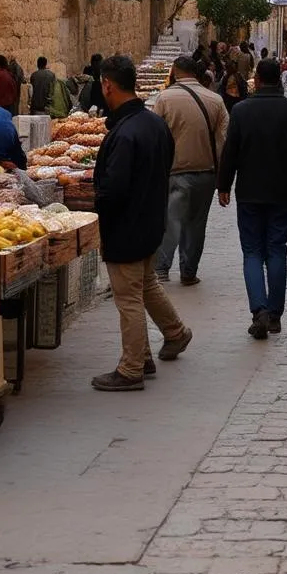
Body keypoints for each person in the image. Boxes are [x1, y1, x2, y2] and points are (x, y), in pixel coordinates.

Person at [92, 55, 192, 392]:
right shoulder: (153, 123)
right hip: (151, 222)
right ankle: (175, 334)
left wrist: (94, 203)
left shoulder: (125, 132)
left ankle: (132, 367)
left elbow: (115, 188)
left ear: (107, 84)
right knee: (146, 285)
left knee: (128, 296)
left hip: (128, 227)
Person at [218, 59, 287, 340]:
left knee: (252, 251)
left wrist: (223, 184)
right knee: (276, 248)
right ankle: (274, 315)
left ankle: (259, 310)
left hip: (250, 191)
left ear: (258, 80)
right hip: (285, 192)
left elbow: (231, 152)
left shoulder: (241, 111)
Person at [153, 56, 229, 286]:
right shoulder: (215, 100)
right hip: (205, 172)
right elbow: (223, 141)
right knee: (196, 224)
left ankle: (162, 268)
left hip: (175, 171)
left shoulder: (164, 99)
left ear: (175, 71)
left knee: (171, 219)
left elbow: (155, 137)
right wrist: (221, 176)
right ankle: (188, 271)